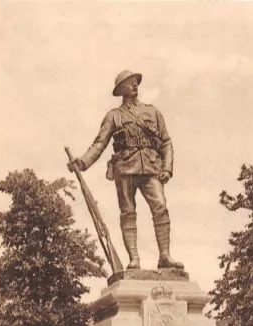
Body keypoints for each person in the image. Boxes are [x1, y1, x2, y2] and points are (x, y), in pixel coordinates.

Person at [69, 70, 184, 270]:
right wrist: (83, 162)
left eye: (136, 82)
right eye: (130, 83)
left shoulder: (152, 112)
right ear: (121, 89)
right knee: (128, 213)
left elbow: (166, 142)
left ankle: (165, 255)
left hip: (151, 167)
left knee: (161, 208)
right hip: (125, 167)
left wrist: (167, 168)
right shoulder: (114, 116)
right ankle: (134, 259)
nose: (135, 86)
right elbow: (99, 144)